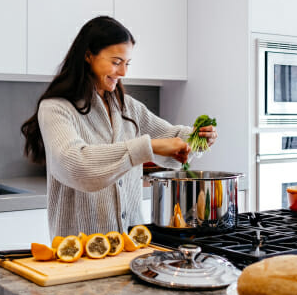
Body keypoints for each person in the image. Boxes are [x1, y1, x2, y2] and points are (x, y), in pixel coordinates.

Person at [21, 16, 217, 237]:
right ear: (88, 56)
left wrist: (197, 138)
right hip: (79, 250)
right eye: (116, 62)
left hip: (132, 244)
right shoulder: (56, 108)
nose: (123, 72)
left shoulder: (128, 107)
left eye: (127, 63)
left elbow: (171, 138)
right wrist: (147, 147)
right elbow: (76, 166)